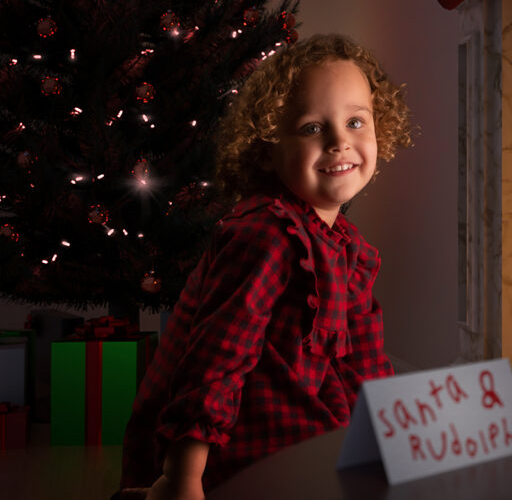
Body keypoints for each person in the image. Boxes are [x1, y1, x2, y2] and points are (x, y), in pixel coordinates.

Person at [117, 33, 413, 500]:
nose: (340, 142)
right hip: (241, 436)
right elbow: (215, 363)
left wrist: (398, 443)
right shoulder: (265, 234)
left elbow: (364, 363)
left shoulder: (348, 247)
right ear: (267, 147)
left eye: (357, 121)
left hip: (306, 412)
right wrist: (183, 479)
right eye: (313, 128)